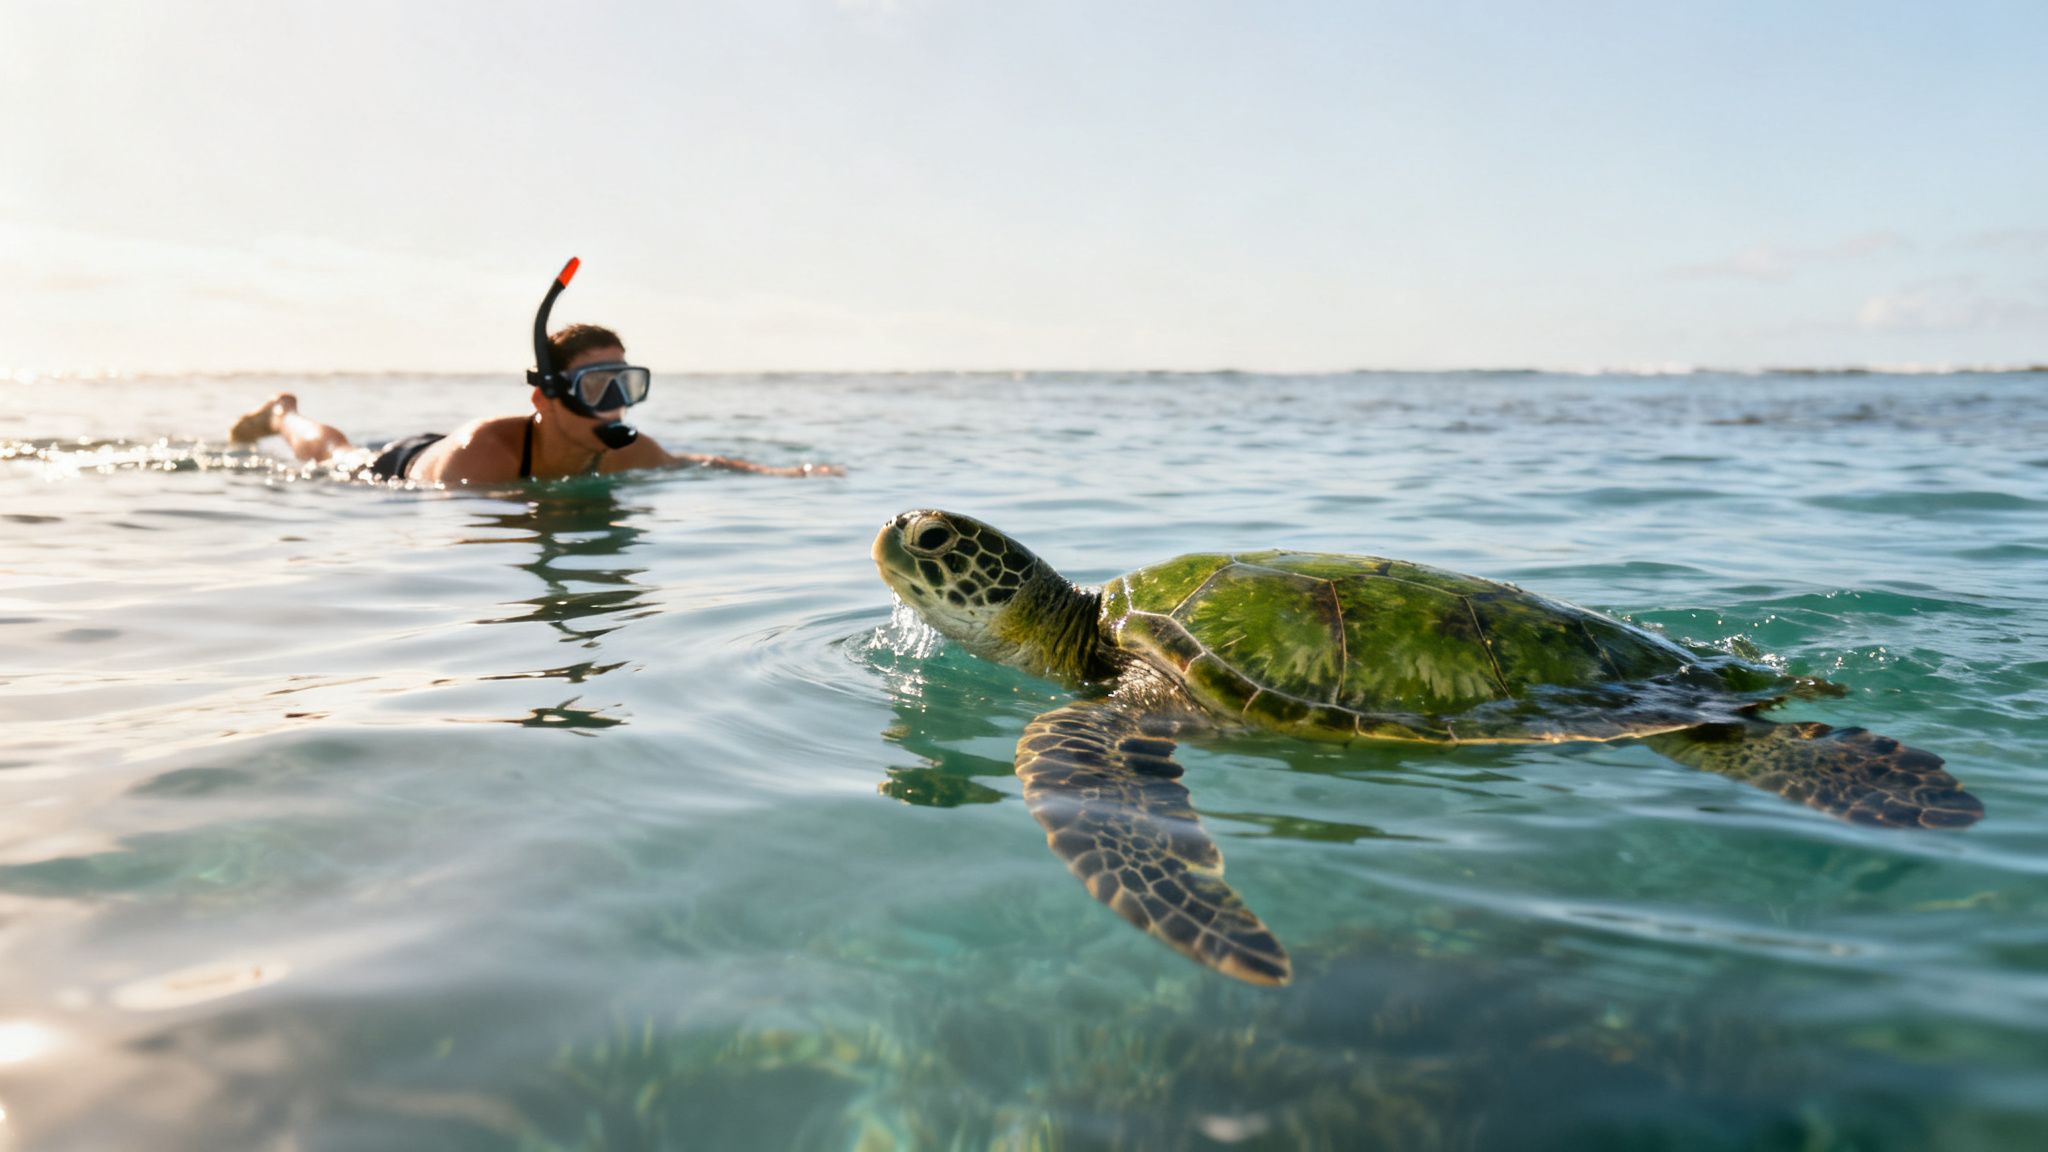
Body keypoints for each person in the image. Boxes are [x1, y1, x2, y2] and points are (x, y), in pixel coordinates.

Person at [230, 259, 840, 484]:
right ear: (546, 397)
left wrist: (794, 472)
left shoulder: (626, 451)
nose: (617, 407)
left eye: (627, 387)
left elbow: (698, 464)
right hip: (402, 467)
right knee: (333, 455)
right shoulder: (483, 458)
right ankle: (283, 414)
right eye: (598, 388)